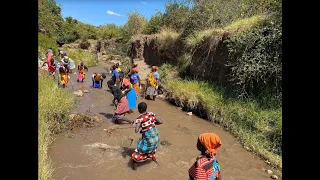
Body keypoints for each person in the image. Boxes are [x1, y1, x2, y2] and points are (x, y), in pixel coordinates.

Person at [131, 102, 163, 170]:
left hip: (149, 140)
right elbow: (161, 122)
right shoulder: (151, 114)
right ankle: (155, 161)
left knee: (134, 157)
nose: (138, 110)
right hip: (156, 138)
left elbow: (136, 131)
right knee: (151, 149)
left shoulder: (140, 118)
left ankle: (134, 171)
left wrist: (135, 124)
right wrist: (151, 124)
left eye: (138, 109)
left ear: (141, 109)